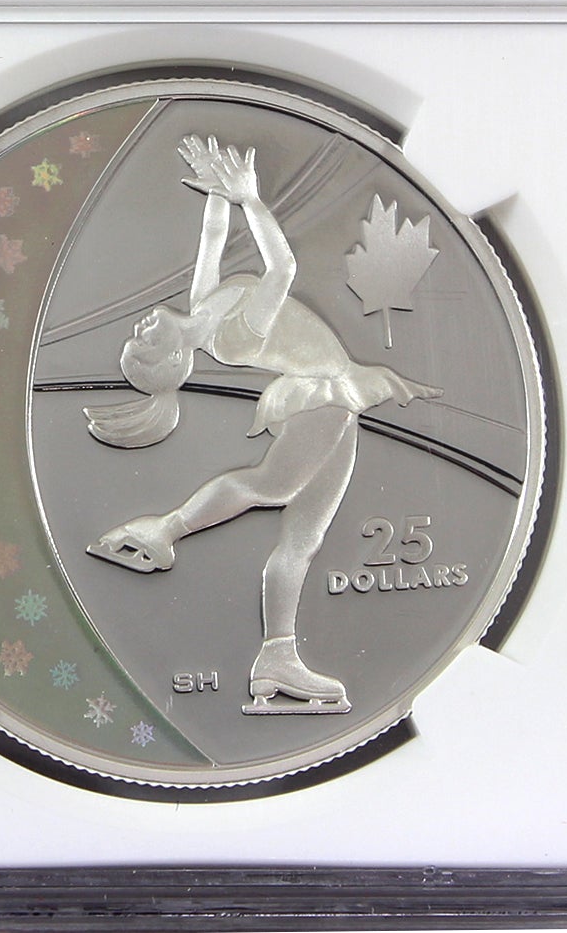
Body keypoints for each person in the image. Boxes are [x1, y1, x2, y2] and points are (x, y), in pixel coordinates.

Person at [85, 135, 440, 713]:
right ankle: (163, 530)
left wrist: (215, 190)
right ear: (172, 357)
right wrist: (251, 198)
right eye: (144, 344)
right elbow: (283, 268)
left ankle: (277, 656)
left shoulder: (204, 305)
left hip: (334, 393)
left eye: (134, 336)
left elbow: (211, 238)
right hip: (321, 395)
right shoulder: (233, 338)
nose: (139, 329)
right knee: (271, 485)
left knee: (304, 537)